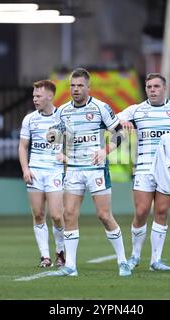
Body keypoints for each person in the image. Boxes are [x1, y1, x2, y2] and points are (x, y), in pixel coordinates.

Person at [46, 67, 131, 277]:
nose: (75, 89)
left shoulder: (101, 108)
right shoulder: (63, 110)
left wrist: (105, 151)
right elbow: (57, 136)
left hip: (96, 170)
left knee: (103, 215)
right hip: (74, 170)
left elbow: (121, 135)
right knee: (69, 215)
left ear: (88, 87)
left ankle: (122, 261)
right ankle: (71, 266)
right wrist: (52, 136)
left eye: (80, 85)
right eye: (72, 85)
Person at [118, 73, 170, 271]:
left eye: (156, 86)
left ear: (164, 88)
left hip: (166, 169)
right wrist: (122, 123)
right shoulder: (136, 110)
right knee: (142, 211)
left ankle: (155, 260)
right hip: (143, 168)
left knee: (161, 212)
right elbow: (112, 122)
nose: (152, 90)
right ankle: (135, 255)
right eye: (149, 87)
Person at [19, 80, 65, 268]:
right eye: (34, 96)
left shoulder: (62, 117)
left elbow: (73, 142)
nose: (35, 99)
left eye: (38, 96)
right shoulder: (29, 119)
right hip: (35, 171)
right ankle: (45, 257)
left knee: (55, 215)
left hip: (55, 171)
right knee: (38, 214)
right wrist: (25, 169)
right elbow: (23, 146)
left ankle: (61, 252)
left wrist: (66, 155)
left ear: (50, 96)